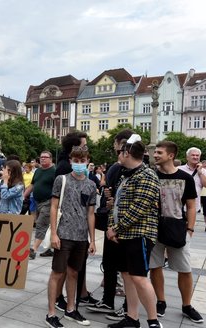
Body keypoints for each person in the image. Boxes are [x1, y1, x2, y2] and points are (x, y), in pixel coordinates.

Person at [106, 135, 163, 328]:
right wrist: (112, 227)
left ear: (126, 153)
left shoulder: (147, 175)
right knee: (128, 275)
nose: (117, 156)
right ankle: (132, 318)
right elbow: (117, 204)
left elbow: (139, 208)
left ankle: (153, 320)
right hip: (124, 234)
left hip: (139, 234)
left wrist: (115, 228)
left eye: (118, 152)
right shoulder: (126, 175)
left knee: (139, 276)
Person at [149, 141, 204, 323]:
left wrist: (190, 229)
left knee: (184, 268)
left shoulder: (185, 178)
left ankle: (187, 305)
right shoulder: (151, 176)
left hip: (177, 227)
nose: (155, 155)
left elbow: (190, 205)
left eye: (159, 152)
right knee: (155, 266)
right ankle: (161, 301)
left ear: (170, 155)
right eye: (155, 152)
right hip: (154, 228)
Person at [45, 146, 96, 328]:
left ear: (88, 161)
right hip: (64, 234)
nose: (80, 164)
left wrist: (92, 239)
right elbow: (53, 206)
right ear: (71, 160)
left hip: (81, 236)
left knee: (74, 273)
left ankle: (71, 308)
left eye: (83, 161)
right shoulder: (62, 180)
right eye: (76, 160)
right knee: (57, 273)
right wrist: (54, 233)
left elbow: (91, 213)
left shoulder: (91, 185)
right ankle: (51, 313)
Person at [87, 129, 133, 318]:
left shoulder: (130, 170)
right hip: (113, 223)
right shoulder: (122, 168)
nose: (115, 150)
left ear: (122, 146)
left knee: (124, 267)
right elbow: (107, 190)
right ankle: (109, 301)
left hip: (121, 225)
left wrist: (111, 198)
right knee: (112, 264)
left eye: (116, 146)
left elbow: (111, 192)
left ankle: (127, 306)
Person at [24, 151, 56, 260]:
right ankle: (48, 249)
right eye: (41, 157)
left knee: (41, 224)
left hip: (48, 202)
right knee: (45, 225)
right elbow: (33, 184)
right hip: (37, 201)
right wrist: (24, 195)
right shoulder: (38, 171)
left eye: (45, 157)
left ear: (51, 159)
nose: (42, 159)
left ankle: (33, 249)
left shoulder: (54, 171)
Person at [178, 147, 206, 233]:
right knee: (178, 230)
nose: (195, 157)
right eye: (193, 155)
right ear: (187, 157)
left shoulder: (202, 171)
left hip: (193, 206)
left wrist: (200, 172)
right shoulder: (179, 169)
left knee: (189, 230)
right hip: (179, 204)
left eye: (197, 155)